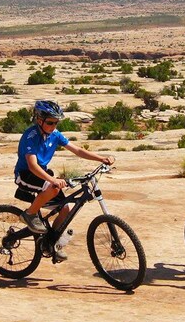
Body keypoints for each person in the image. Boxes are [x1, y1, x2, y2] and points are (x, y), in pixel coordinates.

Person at [14, 100, 115, 261]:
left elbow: (78, 150)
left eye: (56, 122)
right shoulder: (31, 136)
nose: (54, 126)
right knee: (53, 186)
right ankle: (30, 214)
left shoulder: (55, 135)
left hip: (43, 174)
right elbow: (32, 166)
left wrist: (101, 158)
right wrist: (53, 180)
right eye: (50, 122)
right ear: (39, 120)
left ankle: (50, 243)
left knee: (65, 209)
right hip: (26, 174)